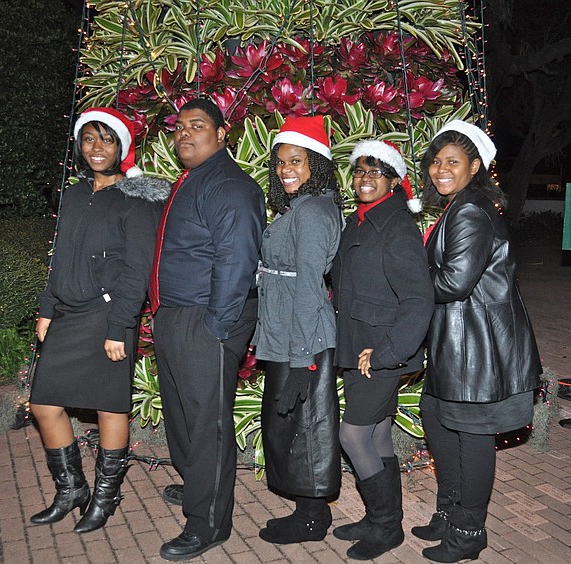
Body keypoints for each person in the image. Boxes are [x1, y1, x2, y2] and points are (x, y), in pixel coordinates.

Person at [29, 107, 169, 533]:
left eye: (106, 139)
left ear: (121, 147)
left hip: (109, 314)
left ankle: (105, 496)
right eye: (89, 138)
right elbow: (62, 256)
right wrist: (47, 306)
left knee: (110, 407)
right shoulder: (72, 195)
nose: (96, 148)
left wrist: (118, 326)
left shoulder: (136, 199)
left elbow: (138, 270)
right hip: (69, 314)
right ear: (79, 144)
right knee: (43, 403)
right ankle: (71, 488)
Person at [417, 120, 542, 563]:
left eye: (452, 161)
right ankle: (449, 511)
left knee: (471, 437)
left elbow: (454, 281)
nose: (439, 168)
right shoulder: (459, 207)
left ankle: (469, 532)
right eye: (435, 160)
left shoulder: (471, 210)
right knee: (436, 422)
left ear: (475, 167)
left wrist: (402, 278)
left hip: (477, 347)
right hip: (456, 341)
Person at [147, 98, 266, 561]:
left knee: (205, 422)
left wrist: (215, 327)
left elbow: (237, 261)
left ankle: (209, 522)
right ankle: (199, 485)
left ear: (222, 135)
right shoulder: (194, 180)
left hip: (207, 317)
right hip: (177, 314)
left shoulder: (230, 185)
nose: (183, 134)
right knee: (181, 413)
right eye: (178, 127)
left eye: (196, 125)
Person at [330, 139, 433, 560]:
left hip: (382, 351)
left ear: (394, 180)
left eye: (375, 171)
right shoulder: (358, 221)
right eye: (359, 171)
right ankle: (379, 519)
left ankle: (387, 525)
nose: (365, 179)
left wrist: (389, 352)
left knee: (352, 434)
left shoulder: (395, 225)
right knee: (377, 433)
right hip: (358, 346)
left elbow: (418, 299)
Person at [252, 116, 343, 545]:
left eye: (297, 161)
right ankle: (306, 511)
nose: (286, 169)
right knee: (290, 426)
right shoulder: (298, 206)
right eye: (281, 162)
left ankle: (312, 519)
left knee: (306, 428)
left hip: (302, 336)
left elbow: (309, 286)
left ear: (317, 165)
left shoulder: (313, 211)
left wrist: (303, 359)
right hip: (285, 330)